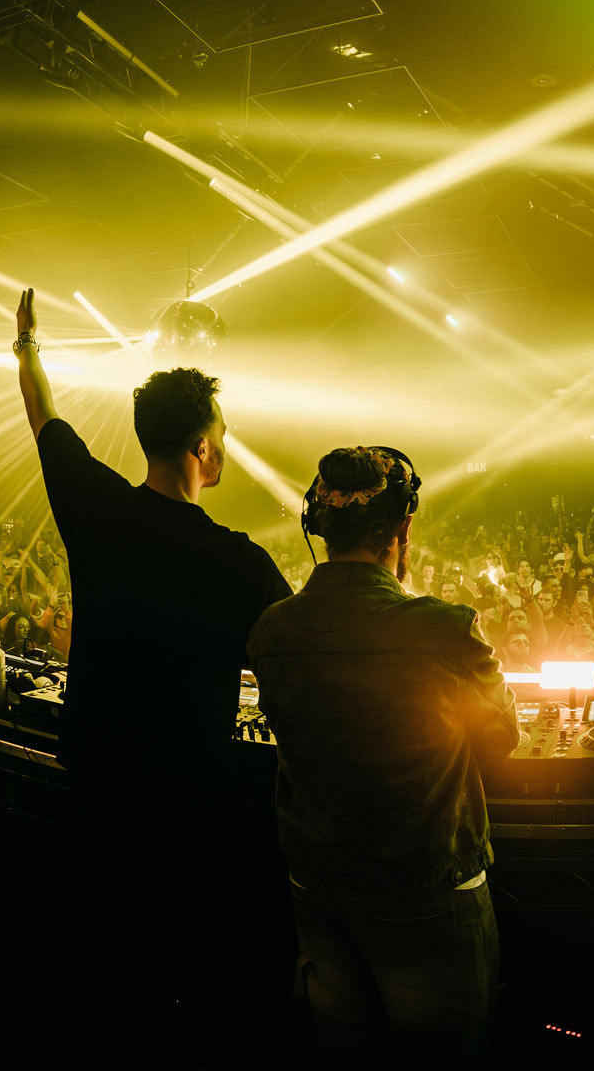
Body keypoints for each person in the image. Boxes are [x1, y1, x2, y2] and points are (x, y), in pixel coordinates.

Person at [14, 288, 294, 1060]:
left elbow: (44, 420)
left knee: (105, 973)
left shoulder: (96, 508)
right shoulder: (238, 563)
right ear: (202, 448)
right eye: (222, 435)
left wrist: (27, 348)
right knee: (185, 985)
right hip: (189, 805)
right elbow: (302, 655)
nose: (225, 445)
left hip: (96, 785)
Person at [248, 444, 519, 1066]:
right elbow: (501, 742)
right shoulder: (445, 629)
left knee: (343, 1050)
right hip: (427, 894)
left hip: (316, 887)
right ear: (404, 528)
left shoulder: (271, 629)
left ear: (317, 526)